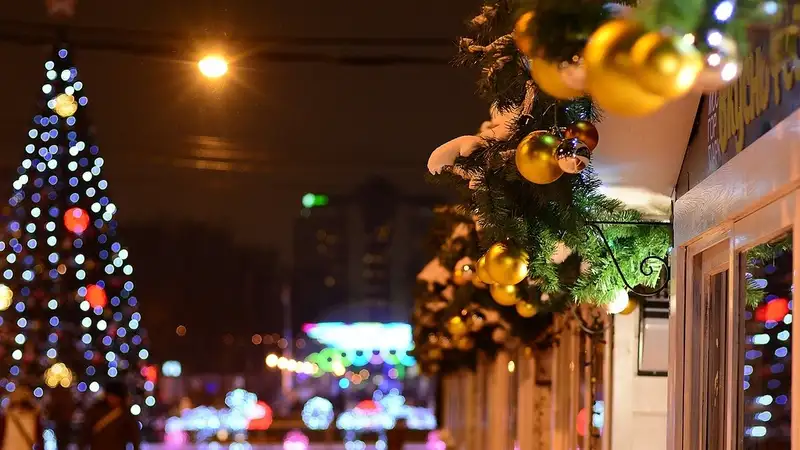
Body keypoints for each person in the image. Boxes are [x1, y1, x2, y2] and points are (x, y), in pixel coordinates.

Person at [80, 381, 140, 450]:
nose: (112, 399)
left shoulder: (125, 414)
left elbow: (134, 434)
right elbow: (86, 431)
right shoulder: (96, 411)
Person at [47, 386, 75, 450]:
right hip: (65, 422)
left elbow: (51, 411)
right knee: (64, 441)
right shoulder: (67, 397)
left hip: (60, 423)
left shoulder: (57, 398)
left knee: (61, 441)